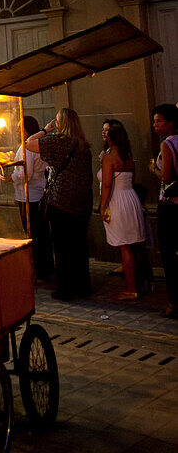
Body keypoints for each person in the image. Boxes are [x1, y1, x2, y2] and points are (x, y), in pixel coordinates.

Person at [26, 108, 93, 302]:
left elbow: (28, 143)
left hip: (62, 202)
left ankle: (65, 288)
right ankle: (82, 286)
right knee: (79, 245)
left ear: (61, 123)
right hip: (82, 202)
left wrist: (45, 130)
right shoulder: (83, 145)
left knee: (62, 247)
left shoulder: (58, 141)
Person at [98, 121, 145, 300]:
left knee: (125, 245)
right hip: (130, 198)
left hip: (117, 201)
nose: (104, 134)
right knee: (133, 245)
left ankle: (131, 289)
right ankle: (141, 283)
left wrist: (102, 206)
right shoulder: (127, 154)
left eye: (107, 131)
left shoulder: (110, 157)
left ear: (113, 135)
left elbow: (107, 185)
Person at [11, 115, 53, 278]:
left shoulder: (26, 147)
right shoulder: (37, 145)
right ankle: (45, 266)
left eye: (20, 127)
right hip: (38, 192)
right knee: (42, 233)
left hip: (28, 195)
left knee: (33, 233)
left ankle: (38, 268)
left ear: (27, 129)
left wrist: (12, 177)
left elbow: (25, 174)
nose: (16, 130)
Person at [149, 102, 178, 319]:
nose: (155, 125)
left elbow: (166, 178)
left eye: (159, 121)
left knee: (169, 254)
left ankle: (173, 302)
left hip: (169, 204)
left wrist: (154, 169)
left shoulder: (167, 144)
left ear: (170, 123)